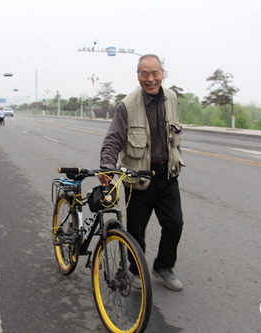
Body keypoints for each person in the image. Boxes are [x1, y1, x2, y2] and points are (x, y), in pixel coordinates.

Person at [98, 54, 185, 291]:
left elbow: (175, 132)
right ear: (138, 76)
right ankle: (136, 270)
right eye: (144, 73)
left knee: (175, 224)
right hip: (138, 178)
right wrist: (107, 166)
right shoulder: (127, 105)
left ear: (162, 74)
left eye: (155, 73)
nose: (150, 78)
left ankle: (163, 267)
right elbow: (113, 139)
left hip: (167, 175)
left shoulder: (172, 98)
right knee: (136, 230)